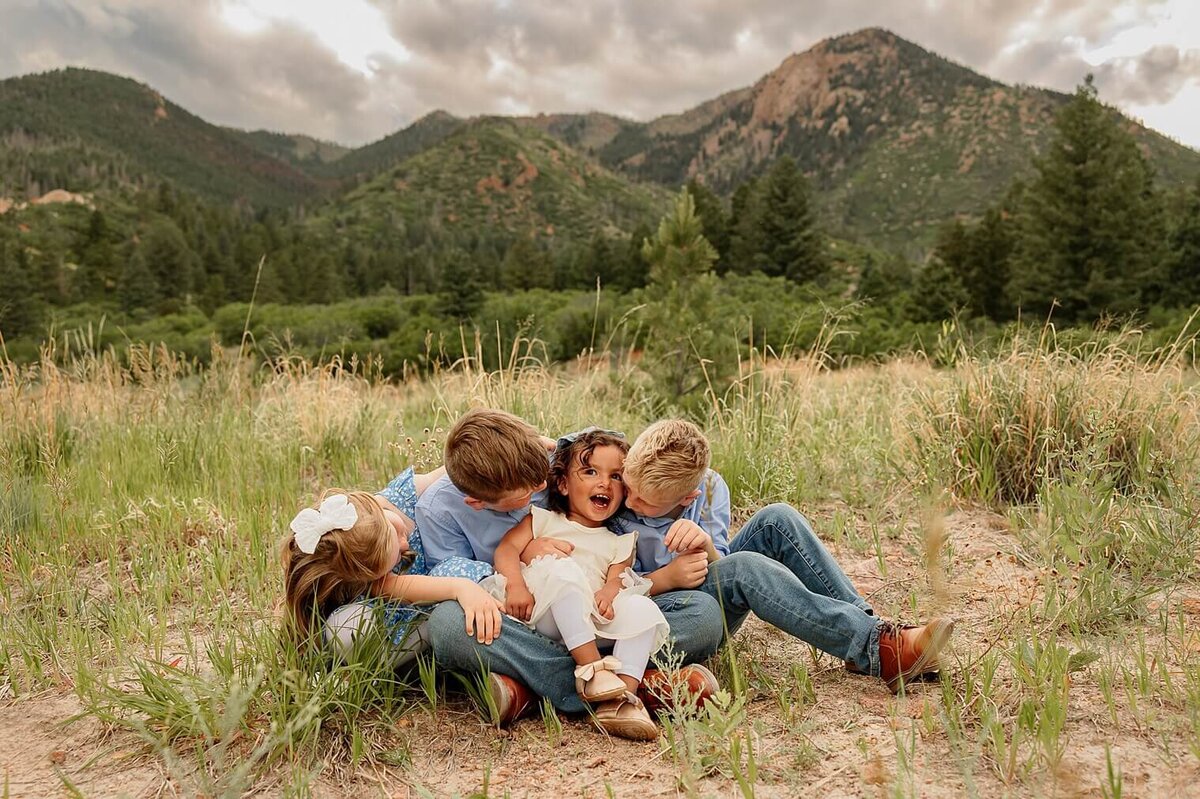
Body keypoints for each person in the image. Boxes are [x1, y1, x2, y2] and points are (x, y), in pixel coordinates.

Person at [417, 409, 723, 724]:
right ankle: (634, 689)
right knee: (449, 625)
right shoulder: (439, 512)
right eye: (526, 493)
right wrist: (526, 555)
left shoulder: (546, 460)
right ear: (478, 503)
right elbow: (467, 581)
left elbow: (630, 457)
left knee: (704, 615)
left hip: (599, 619)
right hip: (527, 618)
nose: (540, 487)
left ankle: (535, 688)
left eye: (542, 476)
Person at [617, 419, 953, 693]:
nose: (629, 501)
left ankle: (875, 635)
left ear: (688, 497)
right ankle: (878, 647)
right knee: (743, 569)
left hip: (702, 589)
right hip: (664, 611)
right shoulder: (619, 494)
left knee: (778, 519)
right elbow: (610, 591)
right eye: (628, 487)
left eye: (645, 502)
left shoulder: (709, 488)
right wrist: (670, 576)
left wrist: (704, 545)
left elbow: (718, 566)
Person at [490, 429, 667, 740]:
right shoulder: (543, 520)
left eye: (616, 477)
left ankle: (619, 699)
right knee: (565, 573)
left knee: (642, 607)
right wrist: (515, 584)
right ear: (563, 484)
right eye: (590, 471)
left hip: (590, 621)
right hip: (545, 611)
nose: (604, 483)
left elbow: (619, 578)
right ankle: (591, 672)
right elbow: (506, 550)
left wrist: (609, 593)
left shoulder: (620, 541)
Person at [281, 466, 505, 666]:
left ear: (375, 509)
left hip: (447, 579)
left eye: (396, 532)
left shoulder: (402, 495)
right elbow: (441, 586)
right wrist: (462, 589)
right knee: (347, 630)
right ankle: (388, 667)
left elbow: (456, 469)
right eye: (398, 554)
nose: (405, 543)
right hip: (408, 623)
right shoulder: (371, 576)